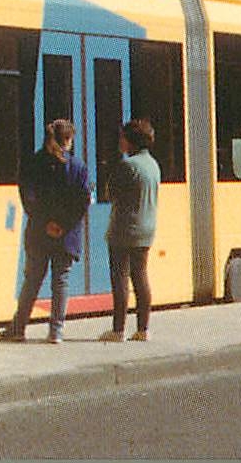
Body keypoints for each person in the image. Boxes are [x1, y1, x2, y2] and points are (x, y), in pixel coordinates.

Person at [0, 118, 90, 344]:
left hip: (39, 232)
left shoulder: (33, 163)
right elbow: (83, 201)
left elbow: (28, 197)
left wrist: (45, 222)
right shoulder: (78, 167)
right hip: (66, 236)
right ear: (68, 140)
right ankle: (55, 331)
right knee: (61, 280)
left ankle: (18, 328)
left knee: (32, 280)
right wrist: (64, 225)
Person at [100, 117, 161, 343]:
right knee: (141, 276)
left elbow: (110, 194)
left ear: (130, 141)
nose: (120, 142)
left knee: (120, 279)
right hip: (146, 229)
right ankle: (143, 329)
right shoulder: (153, 165)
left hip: (124, 230)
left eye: (123, 138)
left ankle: (118, 330)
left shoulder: (128, 166)